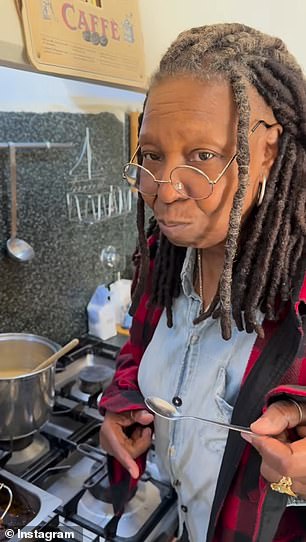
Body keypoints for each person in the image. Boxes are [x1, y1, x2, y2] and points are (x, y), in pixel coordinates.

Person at [99, 22, 306, 542]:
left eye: (202, 156)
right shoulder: (162, 258)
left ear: (269, 152)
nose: (164, 191)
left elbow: (288, 494)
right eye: (151, 156)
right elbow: (138, 347)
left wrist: (295, 486)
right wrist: (125, 405)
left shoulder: (297, 299)